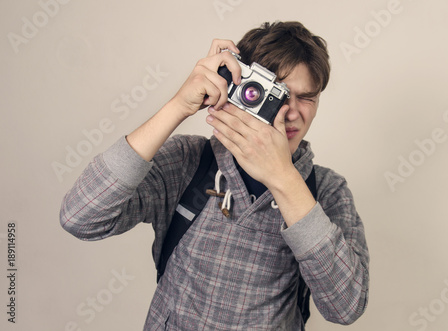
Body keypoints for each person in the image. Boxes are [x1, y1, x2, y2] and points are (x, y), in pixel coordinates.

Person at [60, 21, 370, 330]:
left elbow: (345, 308)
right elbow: (80, 216)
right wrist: (178, 106)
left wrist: (285, 179)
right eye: (277, 94)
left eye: (306, 97)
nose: (290, 112)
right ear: (241, 89)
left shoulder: (326, 190)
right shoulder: (190, 161)